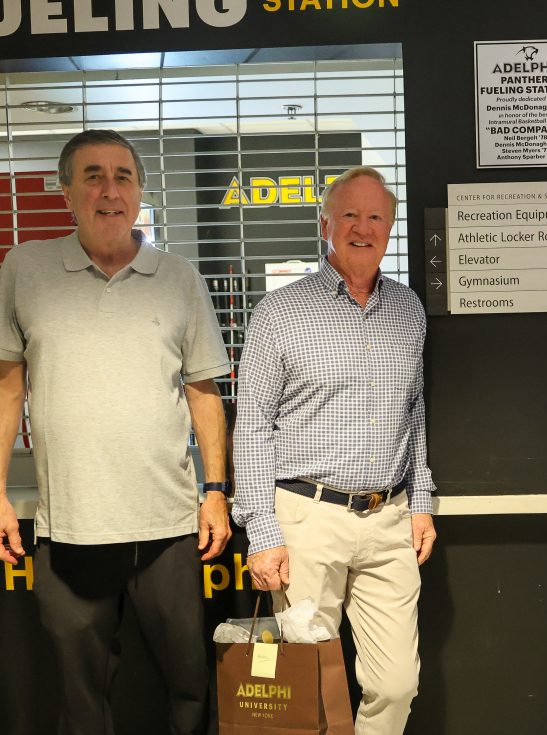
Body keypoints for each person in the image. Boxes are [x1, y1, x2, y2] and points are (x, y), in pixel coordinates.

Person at [0, 129, 232, 734]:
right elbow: (7, 389)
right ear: (66, 191)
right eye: (94, 176)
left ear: (140, 191)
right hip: (69, 526)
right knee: (82, 703)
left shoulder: (178, 277)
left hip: (170, 528)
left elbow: (204, 393)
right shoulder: (24, 269)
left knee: (189, 690)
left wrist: (215, 491)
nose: (110, 190)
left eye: (123, 176)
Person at [233, 165, 437, 735]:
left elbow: (414, 412)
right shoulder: (280, 312)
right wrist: (263, 532)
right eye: (349, 214)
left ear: (391, 228)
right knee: (306, 685)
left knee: (396, 684)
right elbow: (251, 427)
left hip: (388, 519)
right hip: (306, 520)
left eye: (376, 216)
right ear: (325, 223)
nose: (363, 227)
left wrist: (421, 500)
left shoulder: (408, 309)